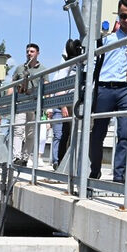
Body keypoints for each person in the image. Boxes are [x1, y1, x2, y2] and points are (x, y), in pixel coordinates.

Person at [88, 0, 127, 183]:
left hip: (126, 88)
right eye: (123, 16)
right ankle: (95, 169)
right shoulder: (105, 40)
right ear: (118, 15)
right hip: (105, 88)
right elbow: (90, 64)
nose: (126, 21)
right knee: (98, 133)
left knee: (125, 133)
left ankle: (119, 175)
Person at [10, 43, 41, 167]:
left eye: (32, 51)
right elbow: (11, 86)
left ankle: (24, 158)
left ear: (37, 53)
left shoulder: (43, 69)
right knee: (18, 130)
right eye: (28, 51)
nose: (29, 53)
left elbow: (46, 86)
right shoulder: (20, 69)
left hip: (33, 105)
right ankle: (16, 157)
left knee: (30, 134)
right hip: (21, 104)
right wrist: (6, 103)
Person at [54, 37, 83, 168]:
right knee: (67, 132)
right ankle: (61, 162)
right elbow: (59, 84)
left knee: (83, 132)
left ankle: (78, 161)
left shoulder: (85, 63)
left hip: (83, 100)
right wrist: (63, 106)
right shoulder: (67, 65)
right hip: (70, 102)